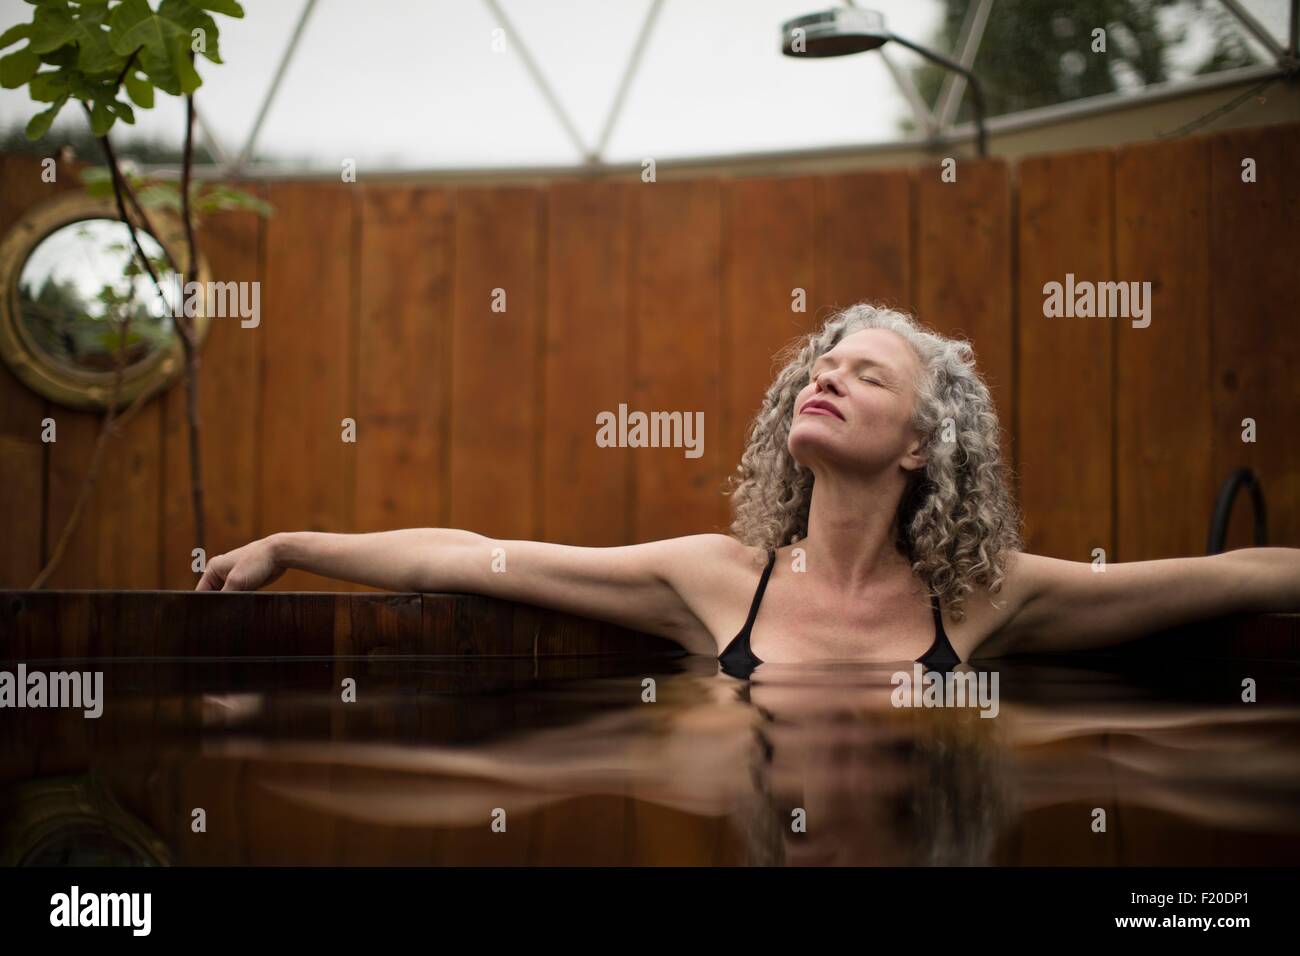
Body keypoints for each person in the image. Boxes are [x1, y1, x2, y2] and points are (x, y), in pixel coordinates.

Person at [196, 303, 1300, 668]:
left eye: (867, 373)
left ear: (923, 445)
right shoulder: (718, 580)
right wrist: (295, 540)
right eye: (821, 366)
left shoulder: (988, 596)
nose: (825, 374)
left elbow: (1235, 572)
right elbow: (476, 554)